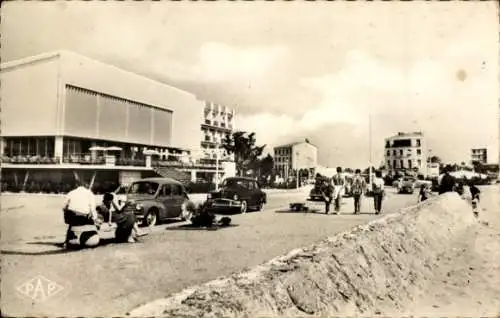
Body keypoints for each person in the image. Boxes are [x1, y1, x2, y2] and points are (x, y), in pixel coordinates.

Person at [63, 181, 100, 248]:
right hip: (84, 217)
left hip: (73, 217)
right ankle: (91, 235)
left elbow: (64, 206)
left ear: (76, 185)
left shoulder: (71, 193)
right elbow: (93, 208)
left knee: (70, 217)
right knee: (89, 215)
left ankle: (66, 241)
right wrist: (95, 219)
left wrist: (67, 214)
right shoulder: (89, 193)